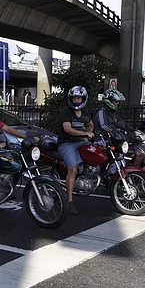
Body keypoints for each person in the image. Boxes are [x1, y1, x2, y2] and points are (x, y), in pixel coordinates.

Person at [57, 86, 94, 215]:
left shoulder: (85, 111)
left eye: (79, 98)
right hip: (67, 144)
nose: (76, 100)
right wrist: (84, 133)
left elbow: (91, 124)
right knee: (72, 170)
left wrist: (89, 134)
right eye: (74, 98)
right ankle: (69, 201)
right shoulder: (66, 112)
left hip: (81, 142)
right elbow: (67, 129)